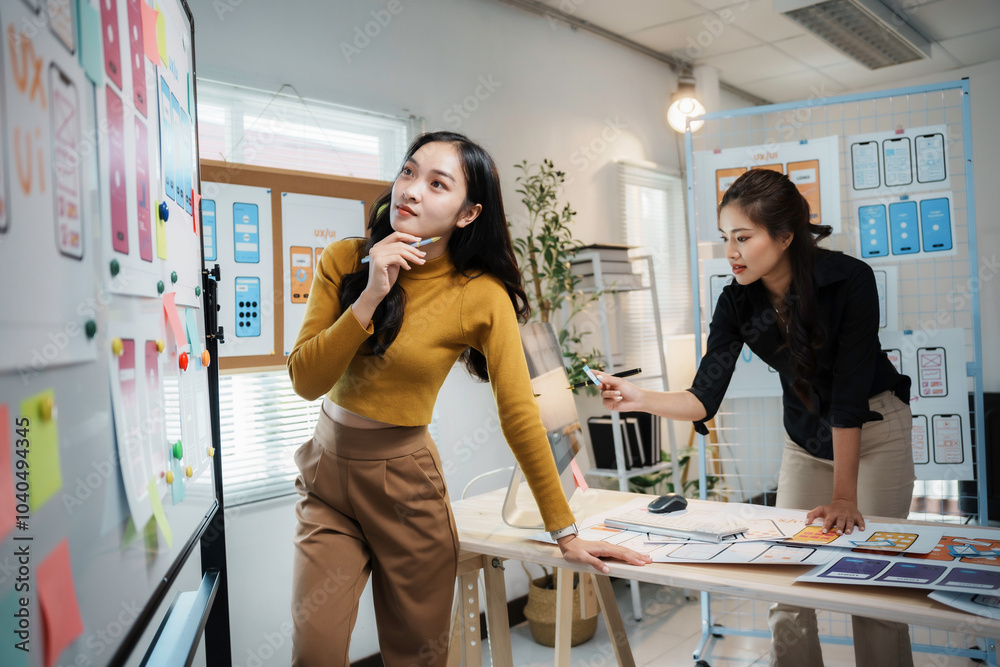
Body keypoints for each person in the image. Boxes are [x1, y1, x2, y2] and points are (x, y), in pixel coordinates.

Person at [287, 131, 651, 666]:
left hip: (405, 488)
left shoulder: (479, 294)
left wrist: (564, 532)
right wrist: (371, 293)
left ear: (467, 213)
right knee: (312, 655)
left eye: (438, 184)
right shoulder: (346, 260)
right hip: (325, 477)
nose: (412, 191)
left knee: (418, 659)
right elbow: (305, 379)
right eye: (408, 173)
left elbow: (519, 412)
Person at [595, 168, 915, 667]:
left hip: (873, 435)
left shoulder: (849, 280)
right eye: (726, 238)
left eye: (743, 237)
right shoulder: (737, 300)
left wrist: (844, 497)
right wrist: (639, 397)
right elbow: (703, 398)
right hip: (805, 442)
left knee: (872, 587)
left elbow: (850, 398)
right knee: (783, 579)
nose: (731, 252)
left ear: (786, 237)